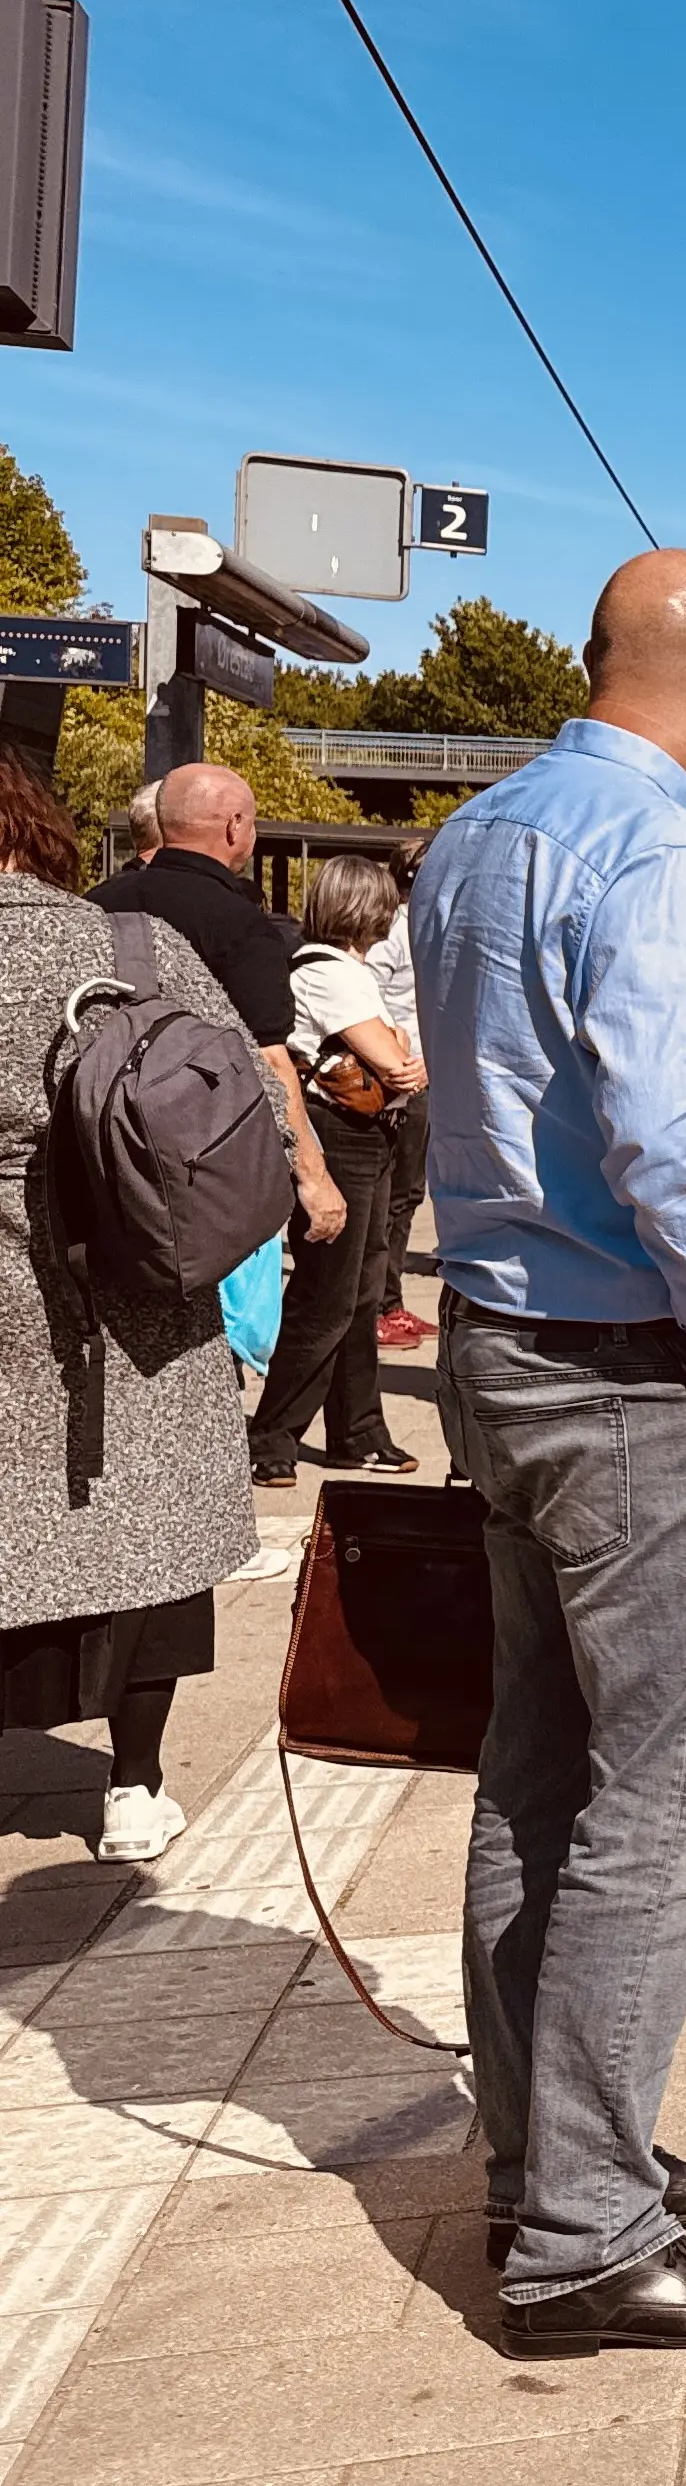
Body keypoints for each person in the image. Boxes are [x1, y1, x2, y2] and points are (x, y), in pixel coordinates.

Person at [415, 547, 686, 2354]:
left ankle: (552, 2160)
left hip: (502, 1351)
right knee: (673, 1806)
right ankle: (589, 2235)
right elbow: (680, 1134)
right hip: (646, 1378)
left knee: (542, 1777)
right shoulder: (659, 847)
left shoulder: (477, 835)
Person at [0, 755, 259, 1865]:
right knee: (148, 1536)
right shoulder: (127, 948)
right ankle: (135, 1785)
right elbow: (235, 1101)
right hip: (139, 1294)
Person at [88, 762, 347, 1256]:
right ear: (234, 827)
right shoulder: (242, 924)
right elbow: (270, 1058)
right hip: (204, 1167)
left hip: (97, 1145)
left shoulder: (96, 903)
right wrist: (313, 1176)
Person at [247, 857, 429, 1487]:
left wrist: (401, 1046)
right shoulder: (334, 975)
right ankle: (272, 1433)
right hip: (342, 1137)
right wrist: (402, 1047)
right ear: (369, 908)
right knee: (327, 1294)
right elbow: (398, 1065)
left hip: (366, 1135)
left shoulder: (338, 971)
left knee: (357, 1291)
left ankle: (358, 1430)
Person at [367, 836, 433, 1353]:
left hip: (424, 1074)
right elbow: (370, 993)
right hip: (401, 1073)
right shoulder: (395, 930)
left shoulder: (426, 927)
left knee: (409, 1194)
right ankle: (380, 1305)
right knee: (394, 1196)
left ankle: (390, 1301)